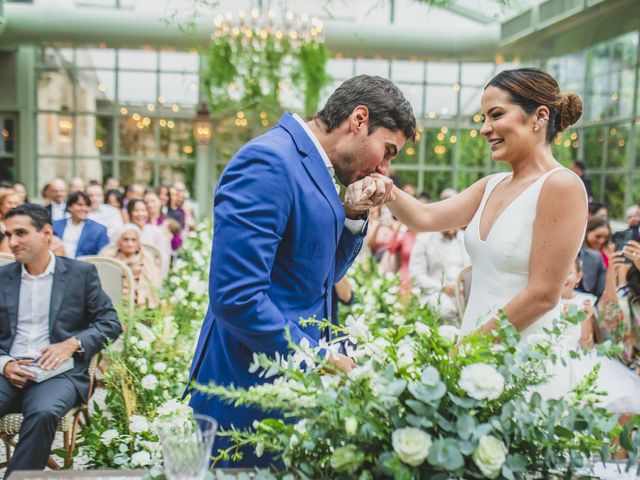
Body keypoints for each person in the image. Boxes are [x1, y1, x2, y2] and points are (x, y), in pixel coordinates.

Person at [186, 75, 416, 468]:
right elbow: (237, 298)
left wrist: (353, 214)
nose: (384, 168)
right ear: (359, 119)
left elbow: (320, 277)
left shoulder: (317, 168)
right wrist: (320, 358)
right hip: (245, 395)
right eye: (388, 150)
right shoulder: (269, 161)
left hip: (290, 392)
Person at [348, 68, 587, 400]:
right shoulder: (491, 186)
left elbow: (544, 295)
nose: (485, 128)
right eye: (483, 117)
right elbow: (424, 216)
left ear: (540, 116)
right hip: (474, 354)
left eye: (496, 115)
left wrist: (468, 349)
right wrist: (380, 186)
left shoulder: (561, 185)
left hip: (523, 364)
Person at [0, 204, 121, 476]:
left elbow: (110, 323)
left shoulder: (80, 274)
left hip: (60, 373)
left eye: (21, 233)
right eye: (8, 234)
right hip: (9, 370)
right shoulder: (2, 277)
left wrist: (72, 344)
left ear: (46, 233)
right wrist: (5, 363)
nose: (13, 241)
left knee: (43, 413)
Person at [557, 256, 640, 413]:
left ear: (578, 277)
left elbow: (587, 344)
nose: (562, 278)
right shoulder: (543, 302)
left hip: (578, 356)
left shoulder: (585, 301)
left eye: (568, 273)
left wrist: (585, 319)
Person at [409, 227, 468, 322]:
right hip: (436, 292)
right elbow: (417, 275)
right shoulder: (424, 240)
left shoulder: (467, 237)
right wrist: (442, 287)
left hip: (464, 292)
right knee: (445, 311)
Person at [100, 224, 162, 308]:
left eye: (133, 240)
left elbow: (155, 282)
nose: (130, 244)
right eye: (126, 240)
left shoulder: (147, 258)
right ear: (119, 241)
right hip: (113, 301)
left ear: (139, 242)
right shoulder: (108, 257)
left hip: (141, 304)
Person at [52, 192, 109, 258]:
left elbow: (104, 257)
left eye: (87, 205)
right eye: (80, 205)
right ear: (69, 207)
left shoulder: (98, 230)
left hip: (84, 265)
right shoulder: (55, 225)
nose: (84, 209)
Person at [127, 199, 171, 279]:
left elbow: (163, 258)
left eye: (143, 210)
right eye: (136, 210)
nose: (140, 214)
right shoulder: (123, 232)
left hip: (152, 276)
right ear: (129, 213)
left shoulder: (156, 232)